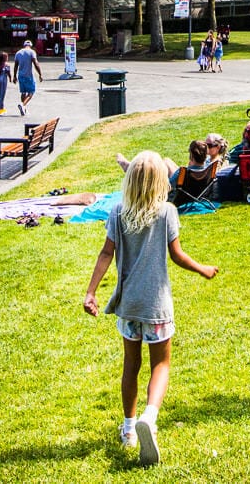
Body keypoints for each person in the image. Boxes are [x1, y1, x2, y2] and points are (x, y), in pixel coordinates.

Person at [83, 151, 218, 465]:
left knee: (131, 365)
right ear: (161, 182)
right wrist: (202, 268)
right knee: (161, 365)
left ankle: (129, 429)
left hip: (128, 306)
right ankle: (150, 417)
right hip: (157, 305)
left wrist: (91, 292)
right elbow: (177, 256)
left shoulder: (117, 212)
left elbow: (105, 254)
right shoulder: (167, 212)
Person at [12, 39, 43, 116]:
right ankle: (23, 105)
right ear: (31, 46)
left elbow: (16, 65)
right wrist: (40, 74)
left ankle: (24, 110)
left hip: (21, 75)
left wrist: (14, 76)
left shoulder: (18, 53)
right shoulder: (32, 52)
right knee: (31, 92)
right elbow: (36, 64)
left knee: (23, 92)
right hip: (29, 76)